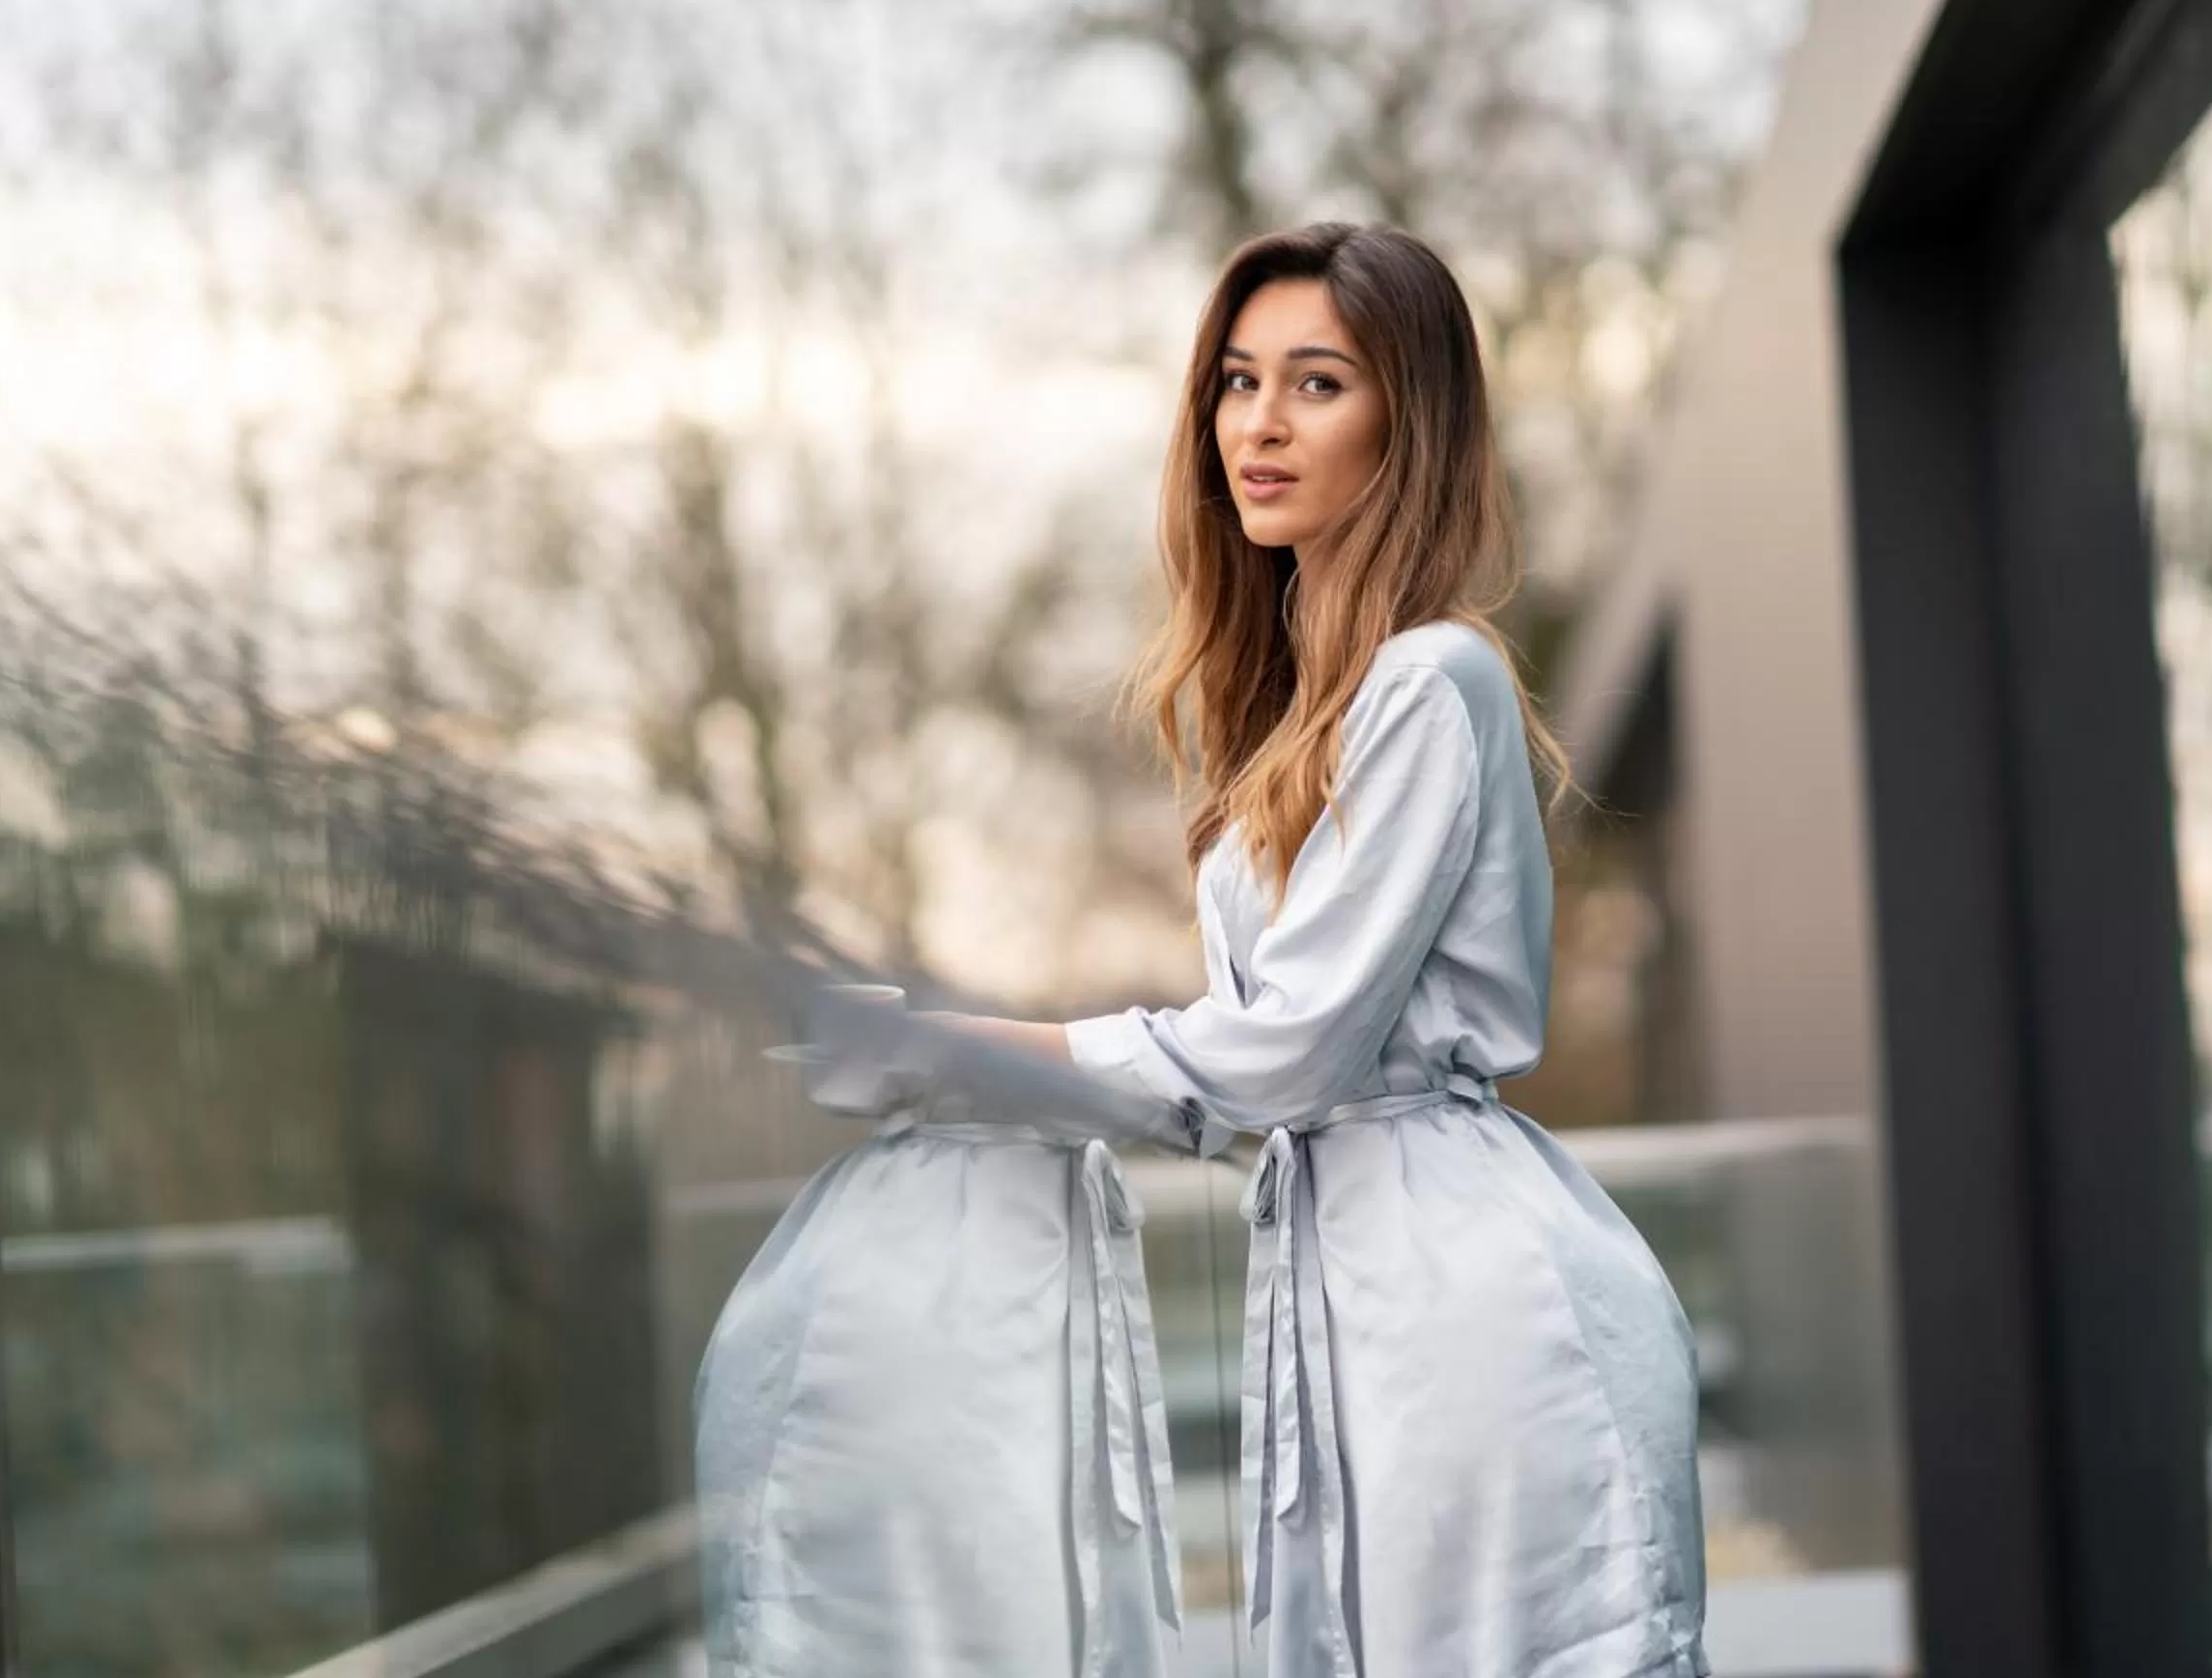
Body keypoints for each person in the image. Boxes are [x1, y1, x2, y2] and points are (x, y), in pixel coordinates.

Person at [925, 221, 1712, 1677]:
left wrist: (984, 1058)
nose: (1260, 423)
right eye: (1235, 381)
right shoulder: (1290, 720)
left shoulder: (1434, 678)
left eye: (1317, 382)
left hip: (1473, 1320)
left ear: (1409, 425)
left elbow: (1284, 1049)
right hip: (1349, 1299)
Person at [693, 988, 1188, 1676]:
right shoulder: (922, 1260)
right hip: (952, 1289)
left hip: (958, 1272)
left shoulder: (872, 1239)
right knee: (970, 1582)